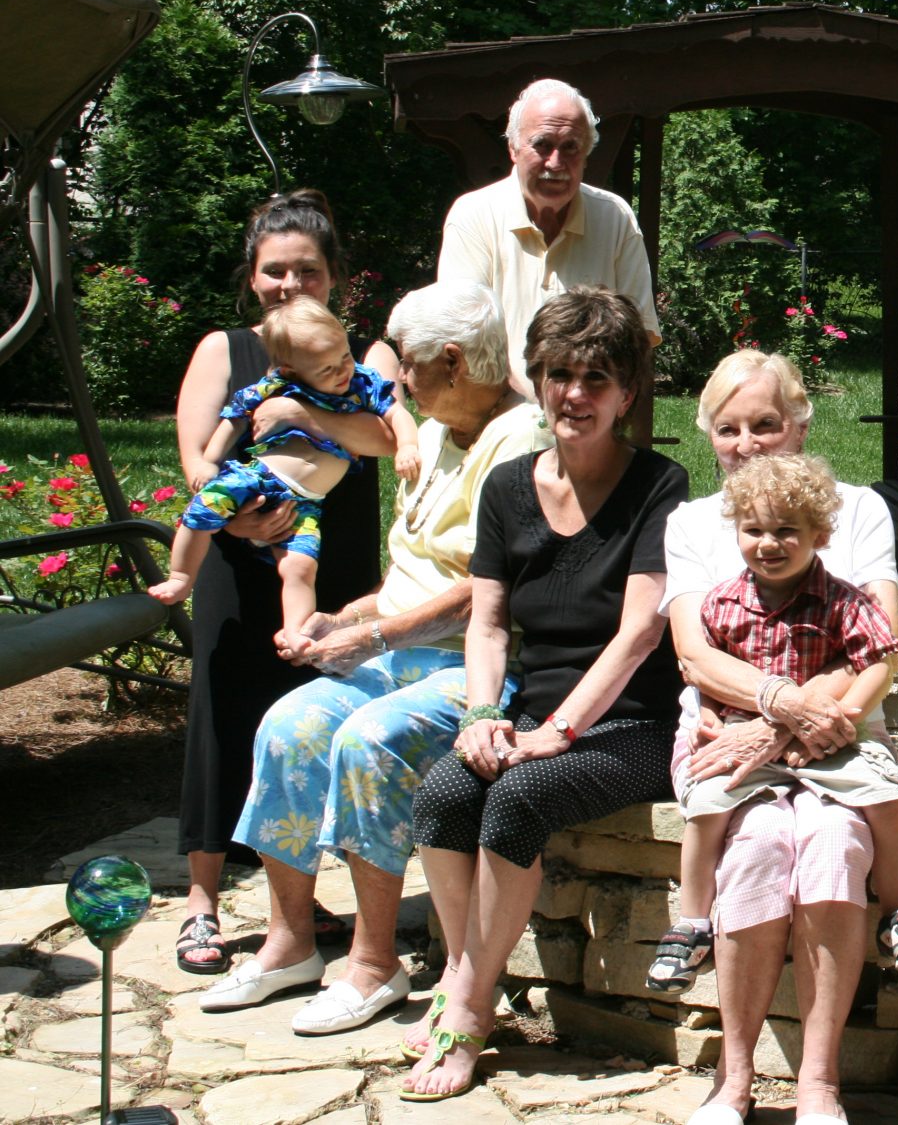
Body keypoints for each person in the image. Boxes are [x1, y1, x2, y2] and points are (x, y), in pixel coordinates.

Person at [197, 281, 550, 1037]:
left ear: (452, 361)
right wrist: (341, 618)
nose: (396, 385)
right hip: (400, 647)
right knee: (287, 724)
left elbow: (486, 591)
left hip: (476, 664)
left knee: (368, 740)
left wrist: (374, 637)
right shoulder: (446, 430)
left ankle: (373, 961)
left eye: (410, 369)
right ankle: (290, 940)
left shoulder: (520, 440)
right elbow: (407, 579)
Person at [401, 287, 688, 1102]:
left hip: (633, 721)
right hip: (532, 714)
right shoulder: (507, 491)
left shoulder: (658, 486)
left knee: (518, 799)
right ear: (536, 378)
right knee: (444, 795)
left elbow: (640, 633)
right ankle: (466, 968)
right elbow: (487, 626)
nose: (576, 394)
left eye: (598, 377)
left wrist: (557, 730)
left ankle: (469, 1007)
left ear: (627, 393)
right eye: (559, 373)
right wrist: (484, 715)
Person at [659, 348, 898, 1125]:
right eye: (728, 428)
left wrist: (785, 720)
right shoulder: (694, 523)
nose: (748, 442)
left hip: (839, 730)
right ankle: (734, 1080)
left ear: (799, 422)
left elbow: (881, 641)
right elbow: (696, 652)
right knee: (758, 842)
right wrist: (772, 713)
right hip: (721, 730)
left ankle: (818, 1084)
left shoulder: (857, 508)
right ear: (708, 436)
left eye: (766, 423)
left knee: (834, 842)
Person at [172, 192, 401, 978]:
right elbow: (198, 456)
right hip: (240, 566)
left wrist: (305, 406)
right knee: (224, 711)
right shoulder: (224, 351)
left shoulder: (363, 357)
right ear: (254, 275)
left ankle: (295, 907)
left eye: (307, 268)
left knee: (310, 724)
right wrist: (236, 522)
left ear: (334, 276)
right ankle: (201, 900)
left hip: (332, 564)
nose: (290, 282)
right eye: (276, 270)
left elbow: (385, 436)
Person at [647, 452, 898, 996]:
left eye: (786, 531)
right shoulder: (724, 602)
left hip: (831, 736)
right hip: (744, 737)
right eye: (753, 530)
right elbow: (704, 666)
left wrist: (843, 715)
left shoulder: (843, 601)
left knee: (885, 798)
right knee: (708, 803)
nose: (768, 544)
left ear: (820, 533)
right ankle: (691, 922)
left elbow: (878, 659)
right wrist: (709, 710)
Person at [150, 297, 408, 639]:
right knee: (201, 514)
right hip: (256, 479)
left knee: (301, 567)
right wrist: (209, 460)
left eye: (344, 356)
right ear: (291, 370)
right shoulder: (278, 385)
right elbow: (234, 417)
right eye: (326, 369)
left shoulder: (362, 383)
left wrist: (407, 445)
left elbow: (397, 415)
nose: (343, 371)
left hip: (305, 502)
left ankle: (296, 629)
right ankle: (181, 577)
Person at [436, 78, 658, 388]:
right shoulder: (474, 215)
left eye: (570, 147)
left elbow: (639, 335)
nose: (556, 162)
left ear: (586, 153)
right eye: (542, 144)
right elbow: (463, 338)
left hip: (589, 414)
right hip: (497, 416)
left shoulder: (615, 217)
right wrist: (531, 412)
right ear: (513, 148)